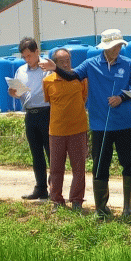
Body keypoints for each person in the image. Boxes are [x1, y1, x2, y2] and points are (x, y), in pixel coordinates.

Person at [50, 28, 131, 218]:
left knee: (129, 164)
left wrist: (122, 98)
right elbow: (72, 76)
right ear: (104, 47)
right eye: (114, 46)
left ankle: (127, 208)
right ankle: (101, 208)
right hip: (100, 125)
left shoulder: (129, 63)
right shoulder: (90, 64)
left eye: (119, 46)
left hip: (125, 123)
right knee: (100, 166)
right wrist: (55, 68)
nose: (117, 49)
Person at [42, 48, 88, 211]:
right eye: (61, 62)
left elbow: (84, 97)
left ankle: (76, 200)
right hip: (57, 131)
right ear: (54, 63)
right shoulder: (48, 81)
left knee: (79, 168)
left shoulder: (80, 78)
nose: (66, 64)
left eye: (68, 60)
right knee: (56, 168)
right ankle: (56, 200)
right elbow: (49, 101)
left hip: (78, 128)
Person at [9, 37, 51, 200]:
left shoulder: (48, 67)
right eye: (24, 56)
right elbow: (18, 92)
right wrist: (13, 92)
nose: (27, 59)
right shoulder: (20, 71)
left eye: (30, 55)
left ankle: (55, 189)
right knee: (36, 153)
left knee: (51, 152)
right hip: (30, 115)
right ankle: (40, 188)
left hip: (47, 113)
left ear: (37, 52)